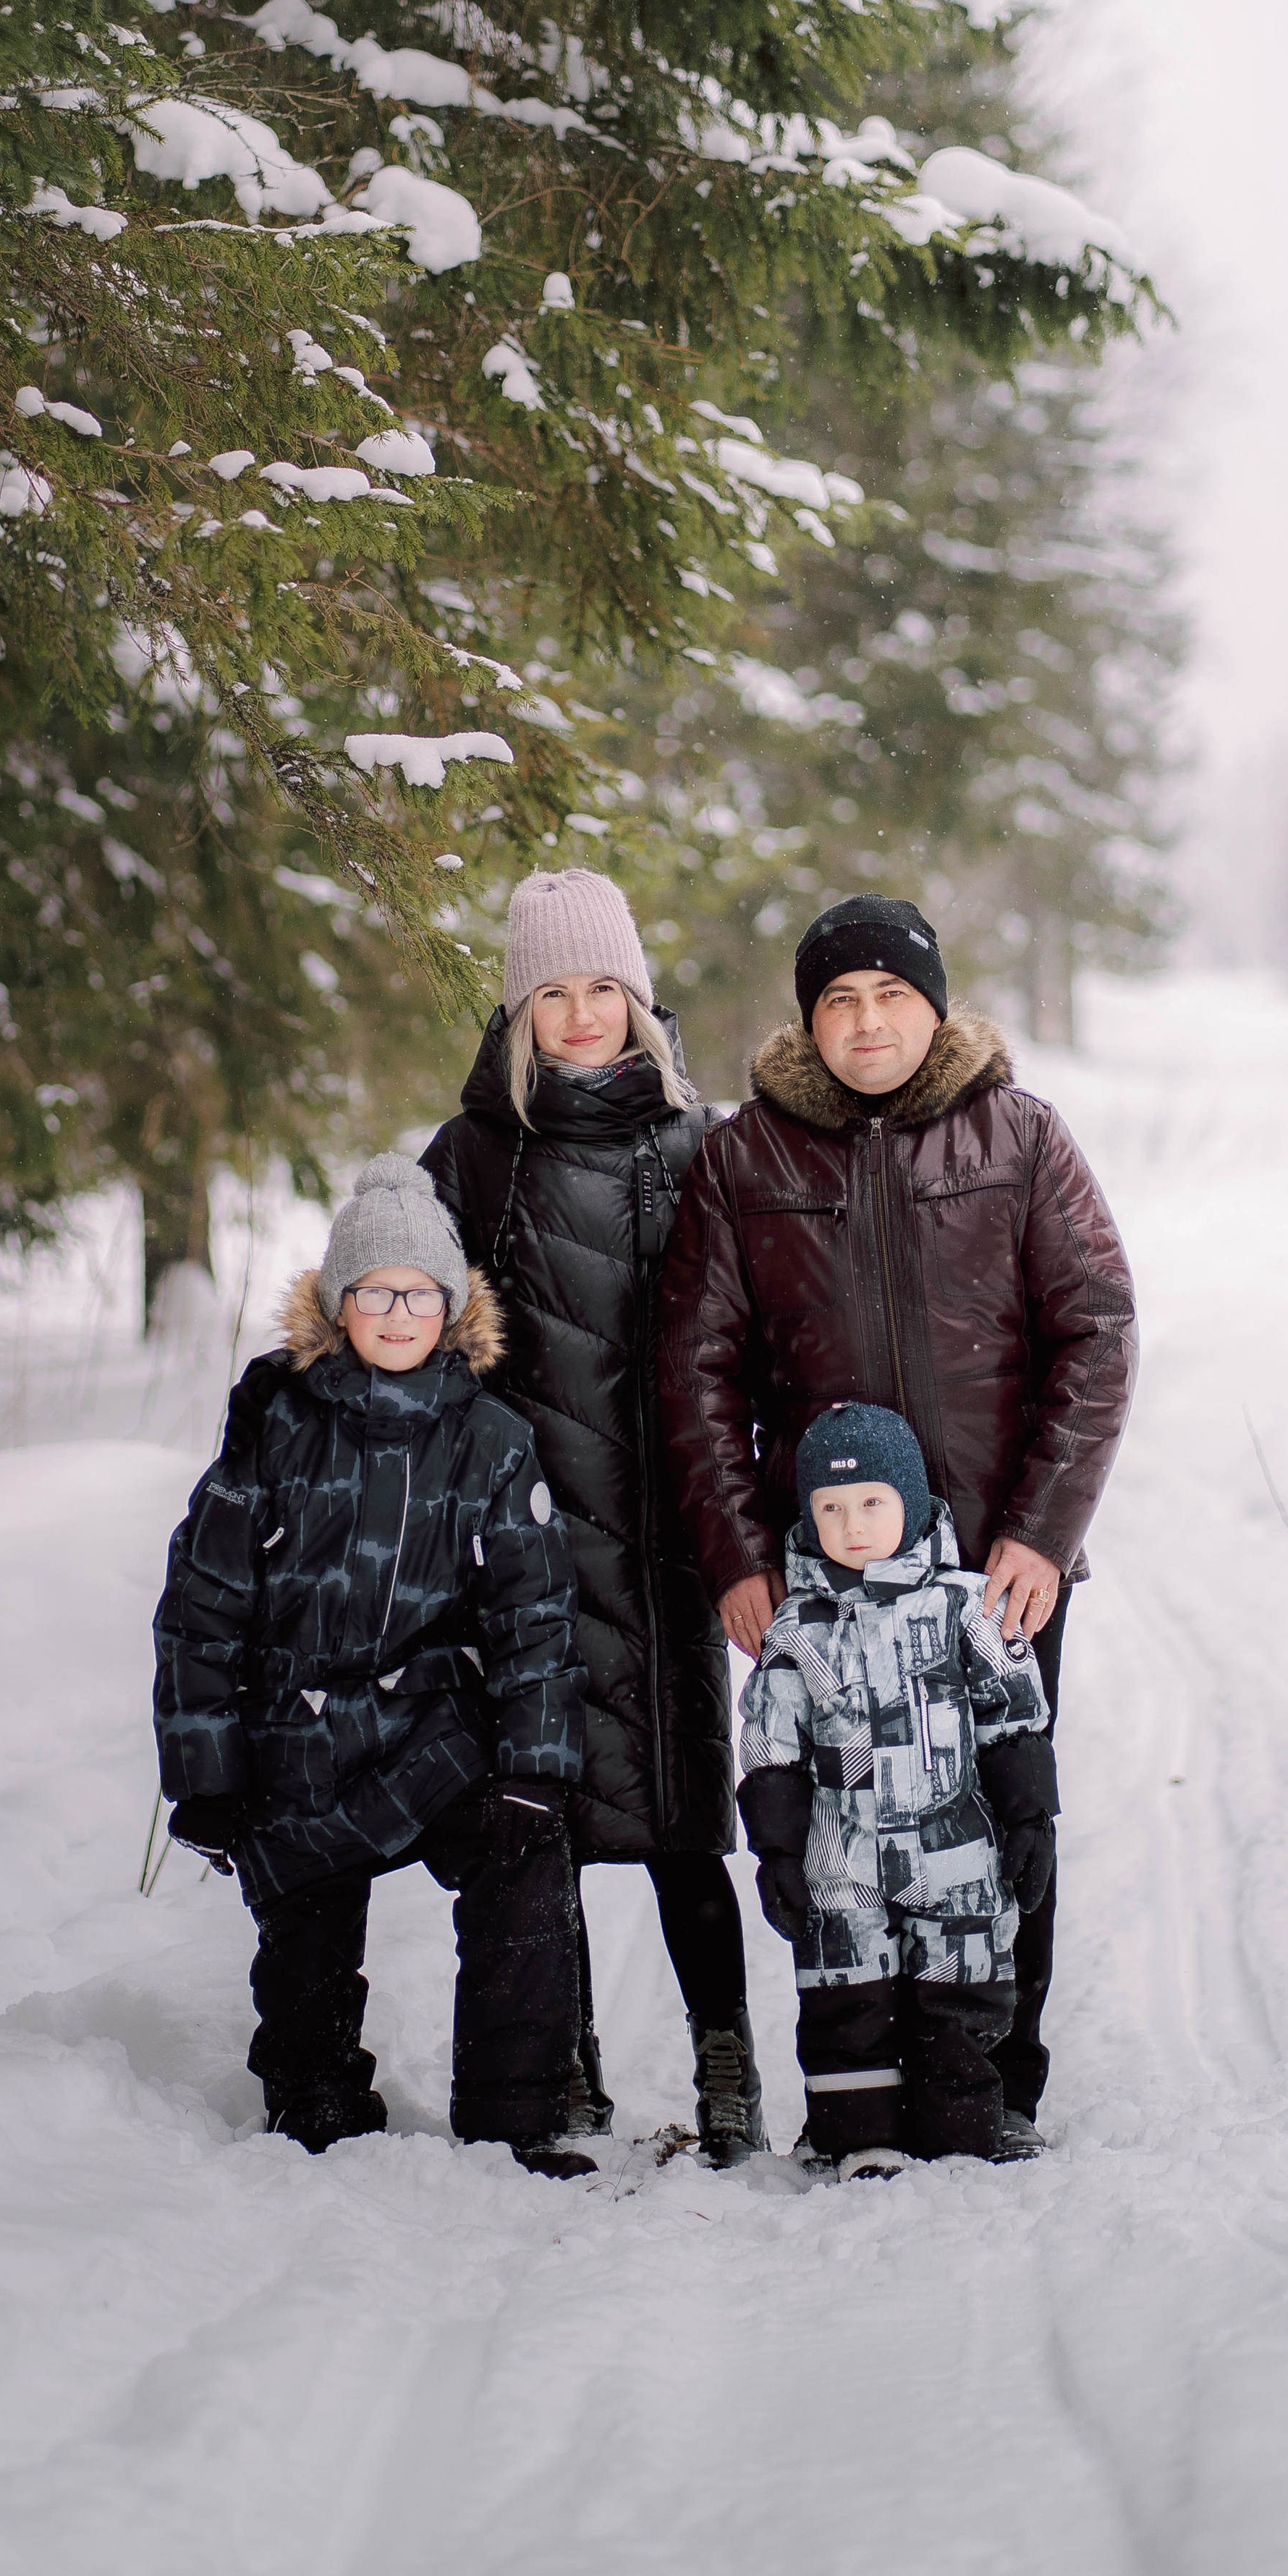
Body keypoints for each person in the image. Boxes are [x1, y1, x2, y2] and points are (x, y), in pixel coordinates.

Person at [659, 893, 1136, 2127]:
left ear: (935, 1006)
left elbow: (1097, 1332)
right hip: (823, 1586)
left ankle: (989, 2086)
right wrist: (738, 1554)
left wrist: (1046, 1530)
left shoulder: (1021, 1138)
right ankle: (863, 2085)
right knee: (843, 1838)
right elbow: (695, 1369)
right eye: (839, 1000)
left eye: (891, 997)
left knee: (996, 1820)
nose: (867, 1022)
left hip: (992, 1572)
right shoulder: (744, 1157)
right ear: (809, 1019)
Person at [151, 1153, 596, 2179]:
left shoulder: (491, 1442)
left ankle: (514, 2108)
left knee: (526, 1852)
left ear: (452, 1305)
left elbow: (534, 1609)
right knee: (303, 1949)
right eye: (374, 1292)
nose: (398, 1314)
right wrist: (206, 1773)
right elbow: (204, 1604)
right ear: (338, 1302)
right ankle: (316, 2089)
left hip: (423, 1734)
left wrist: (533, 1763)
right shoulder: (276, 1425)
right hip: (296, 1741)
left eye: (421, 1294)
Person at [423, 869, 763, 2165]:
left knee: (686, 1821)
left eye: (601, 990)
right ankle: (565, 2066)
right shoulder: (469, 1157)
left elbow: (749, 1337)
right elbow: (421, 1340)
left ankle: (727, 2066)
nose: (578, 1016)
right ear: (518, 1013)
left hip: (671, 1537)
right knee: (543, 1817)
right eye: (551, 993)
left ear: (639, 1002)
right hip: (526, 1546)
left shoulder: (704, 1146)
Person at [739, 1403, 1055, 2171]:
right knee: (847, 2004)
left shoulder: (964, 1607)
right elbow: (770, 1749)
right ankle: (859, 2139)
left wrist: (1030, 1820)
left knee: (962, 1995)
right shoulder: (796, 1630)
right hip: (839, 1857)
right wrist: (776, 1853)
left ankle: (960, 2133)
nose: (852, 1524)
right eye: (831, 1507)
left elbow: (1011, 1722)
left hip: (955, 1852)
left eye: (873, 1503)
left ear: (910, 1504)